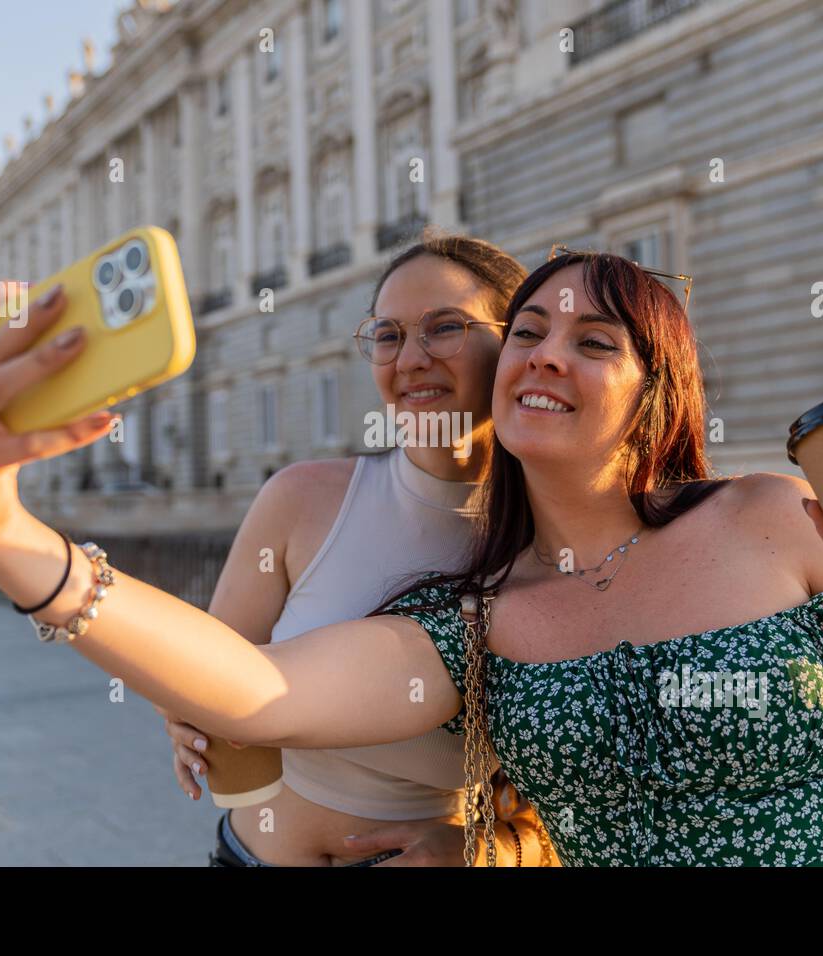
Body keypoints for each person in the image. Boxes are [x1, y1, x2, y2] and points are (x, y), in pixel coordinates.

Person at [0, 249, 823, 866]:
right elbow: (253, 684)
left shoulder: (773, 515)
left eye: (595, 340)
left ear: (657, 393)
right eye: (531, 328)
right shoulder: (474, 615)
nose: (546, 351)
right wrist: (1, 532)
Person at [153, 233, 552, 866]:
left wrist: (494, 853)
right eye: (389, 335)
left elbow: (592, 802)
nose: (411, 359)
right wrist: (188, 714)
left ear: (516, 344)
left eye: (445, 327)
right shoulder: (300, 497)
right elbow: (212, 669)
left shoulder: (558, 542)